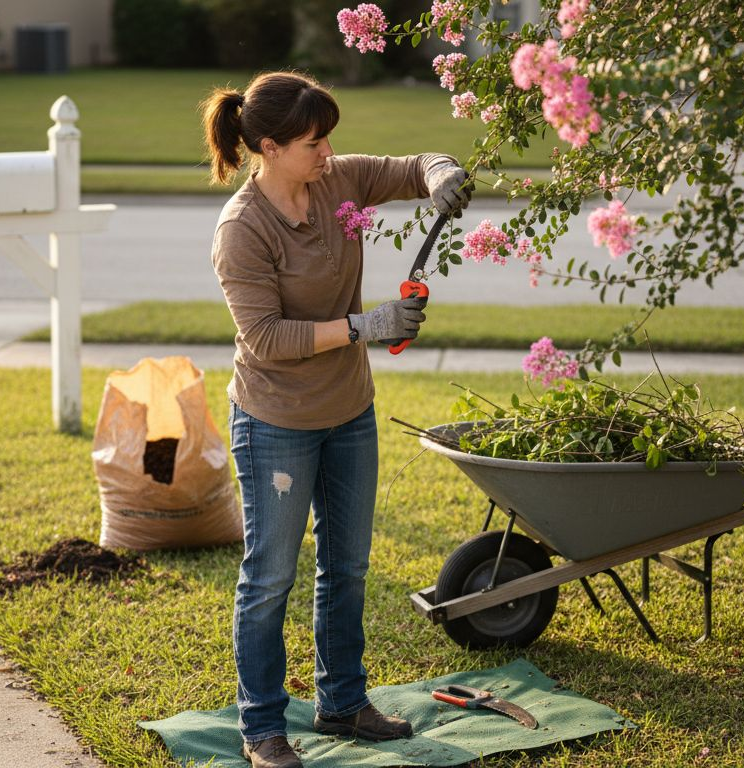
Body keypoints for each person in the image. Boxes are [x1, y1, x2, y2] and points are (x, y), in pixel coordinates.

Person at [200, 71, 470, 768]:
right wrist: (367, 323)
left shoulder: (338, 180)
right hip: (276, 421)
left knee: (346, 567)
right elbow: (267, 339)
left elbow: (413, 166)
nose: (328, 152)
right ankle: (262, 728)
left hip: (349, 411)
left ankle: (343, 703)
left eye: (328, 140)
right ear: (269, 146)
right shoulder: (242, 230)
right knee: (270, 578)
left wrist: (443, 173)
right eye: (314, 142)